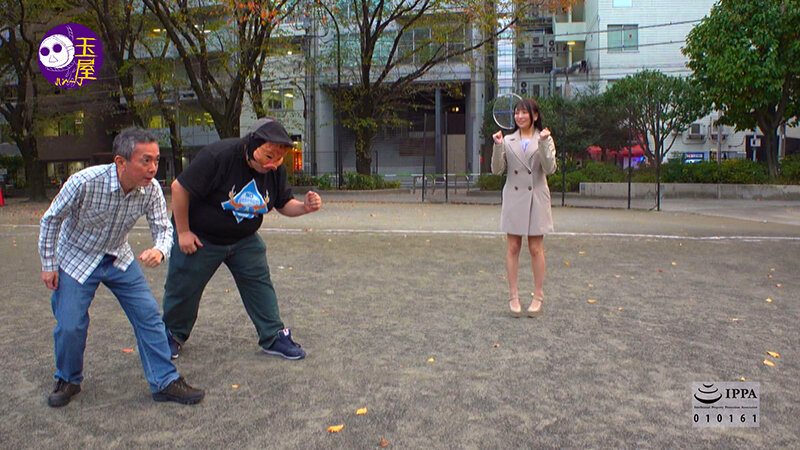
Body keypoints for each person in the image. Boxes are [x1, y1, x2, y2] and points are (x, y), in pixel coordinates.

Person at [38, 127, 205, 407]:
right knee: (70, 325)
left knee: (149, 316)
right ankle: (68, 379)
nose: (153, 168)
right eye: (145, 160)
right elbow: (51, 219)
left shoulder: (151, 189)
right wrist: (48, 264)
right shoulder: (84, 182)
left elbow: (164, 228)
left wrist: (159, 250)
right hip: (77, 258)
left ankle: (164, 381)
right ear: (121, 162)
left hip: (118, 256)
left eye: (156, 160)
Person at [162, 117, 322, 360]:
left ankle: (273, 335)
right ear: (251, 146)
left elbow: (283, 203)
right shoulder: (219, 156)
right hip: (201, 235)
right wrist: (183, 232)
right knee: (184, 286)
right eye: (268, 156)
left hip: (244, 238)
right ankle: (172, 334)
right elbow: (179, 188)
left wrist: (304, 207)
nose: (273, 164)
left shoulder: (275, 169)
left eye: (280, 158)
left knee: (259, 284)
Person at [491, 98, 557, 318]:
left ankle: (538, 295)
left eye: (524, 113)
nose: (519, 116)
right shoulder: (507, 140)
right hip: (514, 196)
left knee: (536, 248)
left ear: (535, 116)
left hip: (536, 197)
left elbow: (550, 168)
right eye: (517, 113)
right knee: (512, 247)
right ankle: (513, 296)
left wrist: (545, 143)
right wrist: (497, 146)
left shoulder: (544, 137)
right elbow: (496, 170)